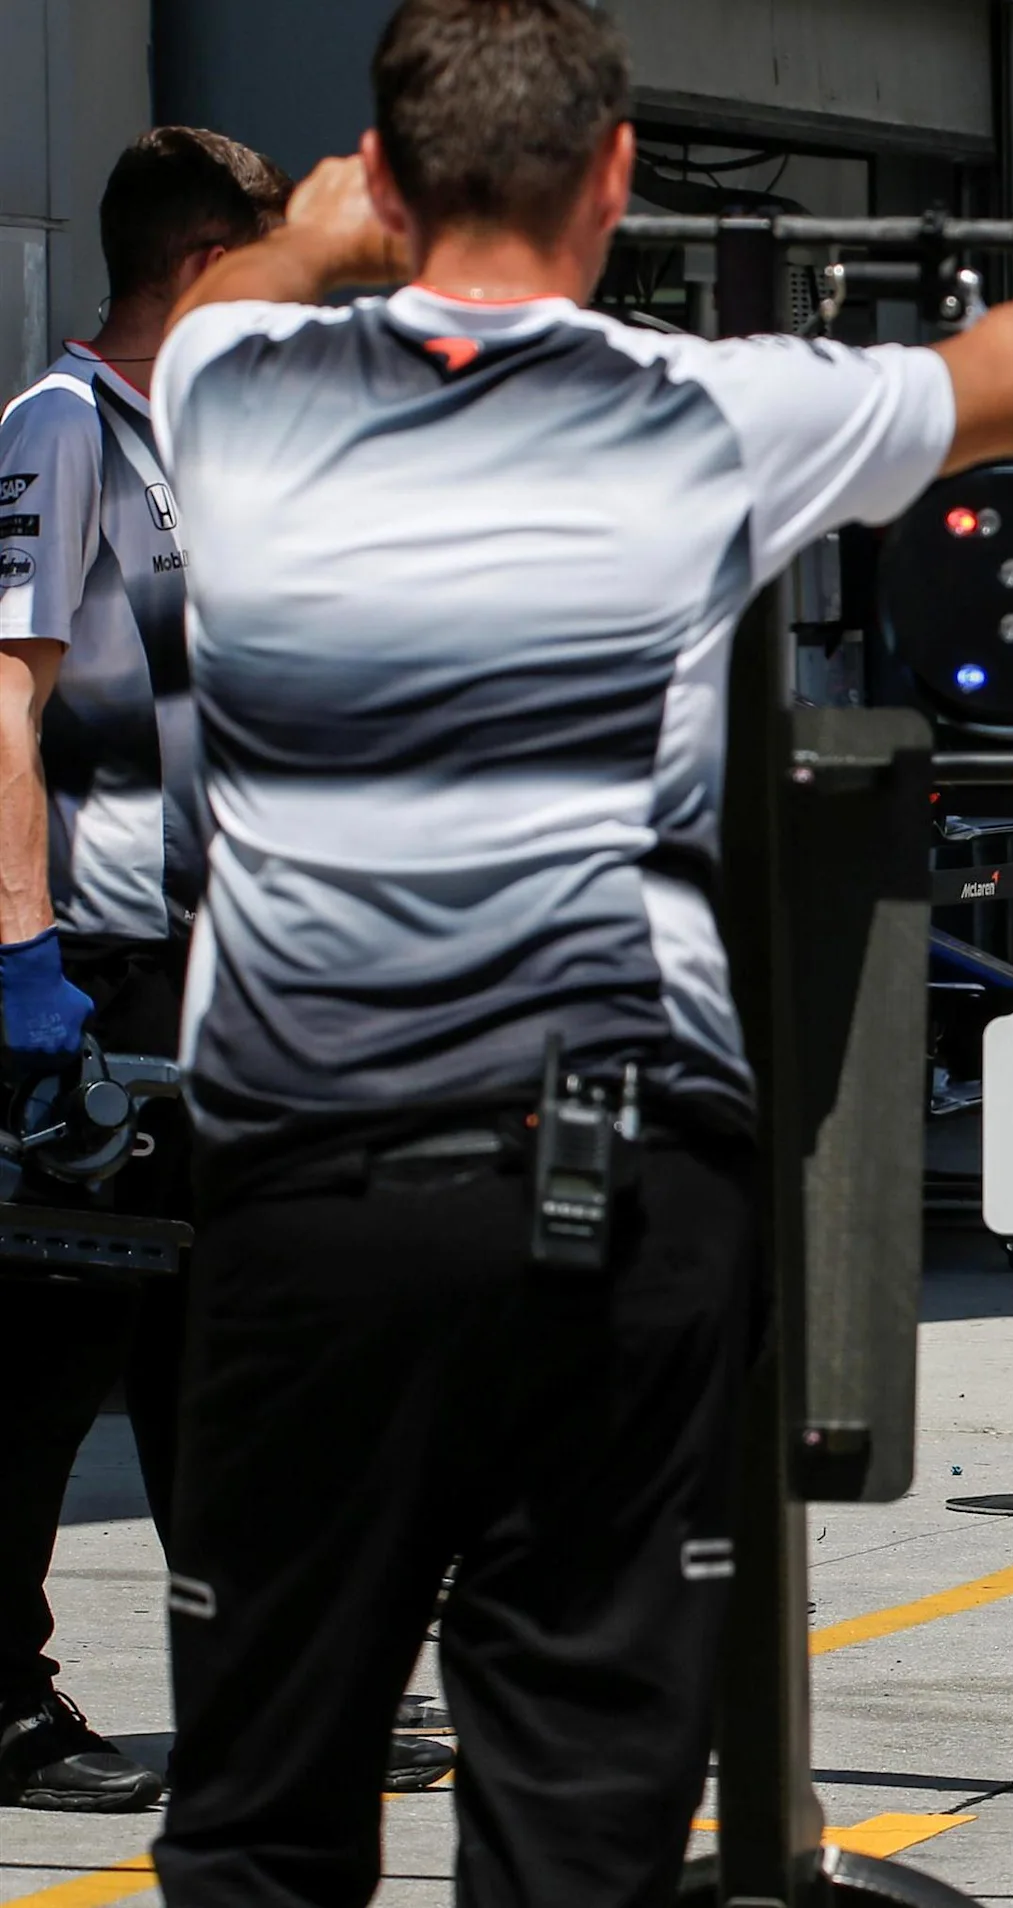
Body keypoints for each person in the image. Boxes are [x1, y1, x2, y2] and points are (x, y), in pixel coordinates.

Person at [142, 0, 1013, 1895]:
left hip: (311, 1192)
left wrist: (326, 227)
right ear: (616, 175)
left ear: (381, 177)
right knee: (576, 1825)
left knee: (255, 1817)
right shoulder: (707, 411)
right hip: (607, 1186)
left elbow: (247, 273)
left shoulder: (227, 382)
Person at [0, 127, 285, 1818]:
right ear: (197, 268)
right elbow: (6, 697)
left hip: (196, 958)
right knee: (48, 1340)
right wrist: (21, 957)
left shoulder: (197, 448)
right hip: (86, 965)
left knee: (215, 1330)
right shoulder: (61, 426)